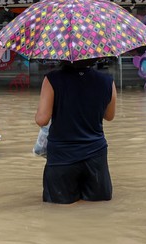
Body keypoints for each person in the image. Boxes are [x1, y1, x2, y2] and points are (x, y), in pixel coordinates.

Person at [34, 59, 117, 204]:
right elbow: (109, 116)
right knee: (96, 211)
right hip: (95, 156)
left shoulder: (52, 79)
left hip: (61, 157)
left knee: (58, 212)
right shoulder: (107, 81)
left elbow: (42, 120)